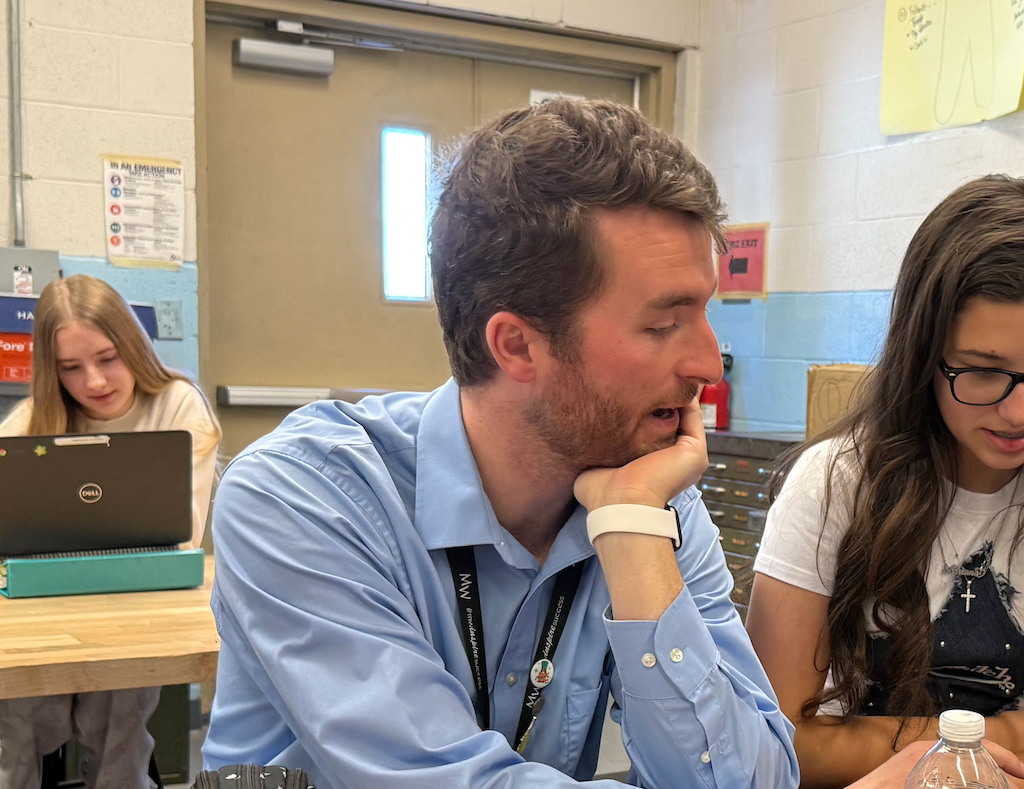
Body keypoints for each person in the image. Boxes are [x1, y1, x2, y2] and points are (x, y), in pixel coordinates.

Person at [201, 99, 798, 789]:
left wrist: (633, 533)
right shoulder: (302, 497)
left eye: (705, 312)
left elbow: (753, 780)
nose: (705, 363)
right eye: (664, 324)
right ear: (517, 345)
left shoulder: (646, 496)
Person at [748, 175, 1024, 789]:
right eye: (982, 372)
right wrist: (991, 738)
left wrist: (967, 773)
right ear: (924, 355)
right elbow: (779, 744)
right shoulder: (834, 485)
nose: (1021, 413)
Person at [0, 274, 222, 789]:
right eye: (71, 369)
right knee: (20, 730)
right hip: (45, 612)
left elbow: (181, 534)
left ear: (133, 346)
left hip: (135, 606)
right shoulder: (33, 422)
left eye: (107, 358)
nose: (95, 383)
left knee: (117, 738)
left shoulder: (178, 406)